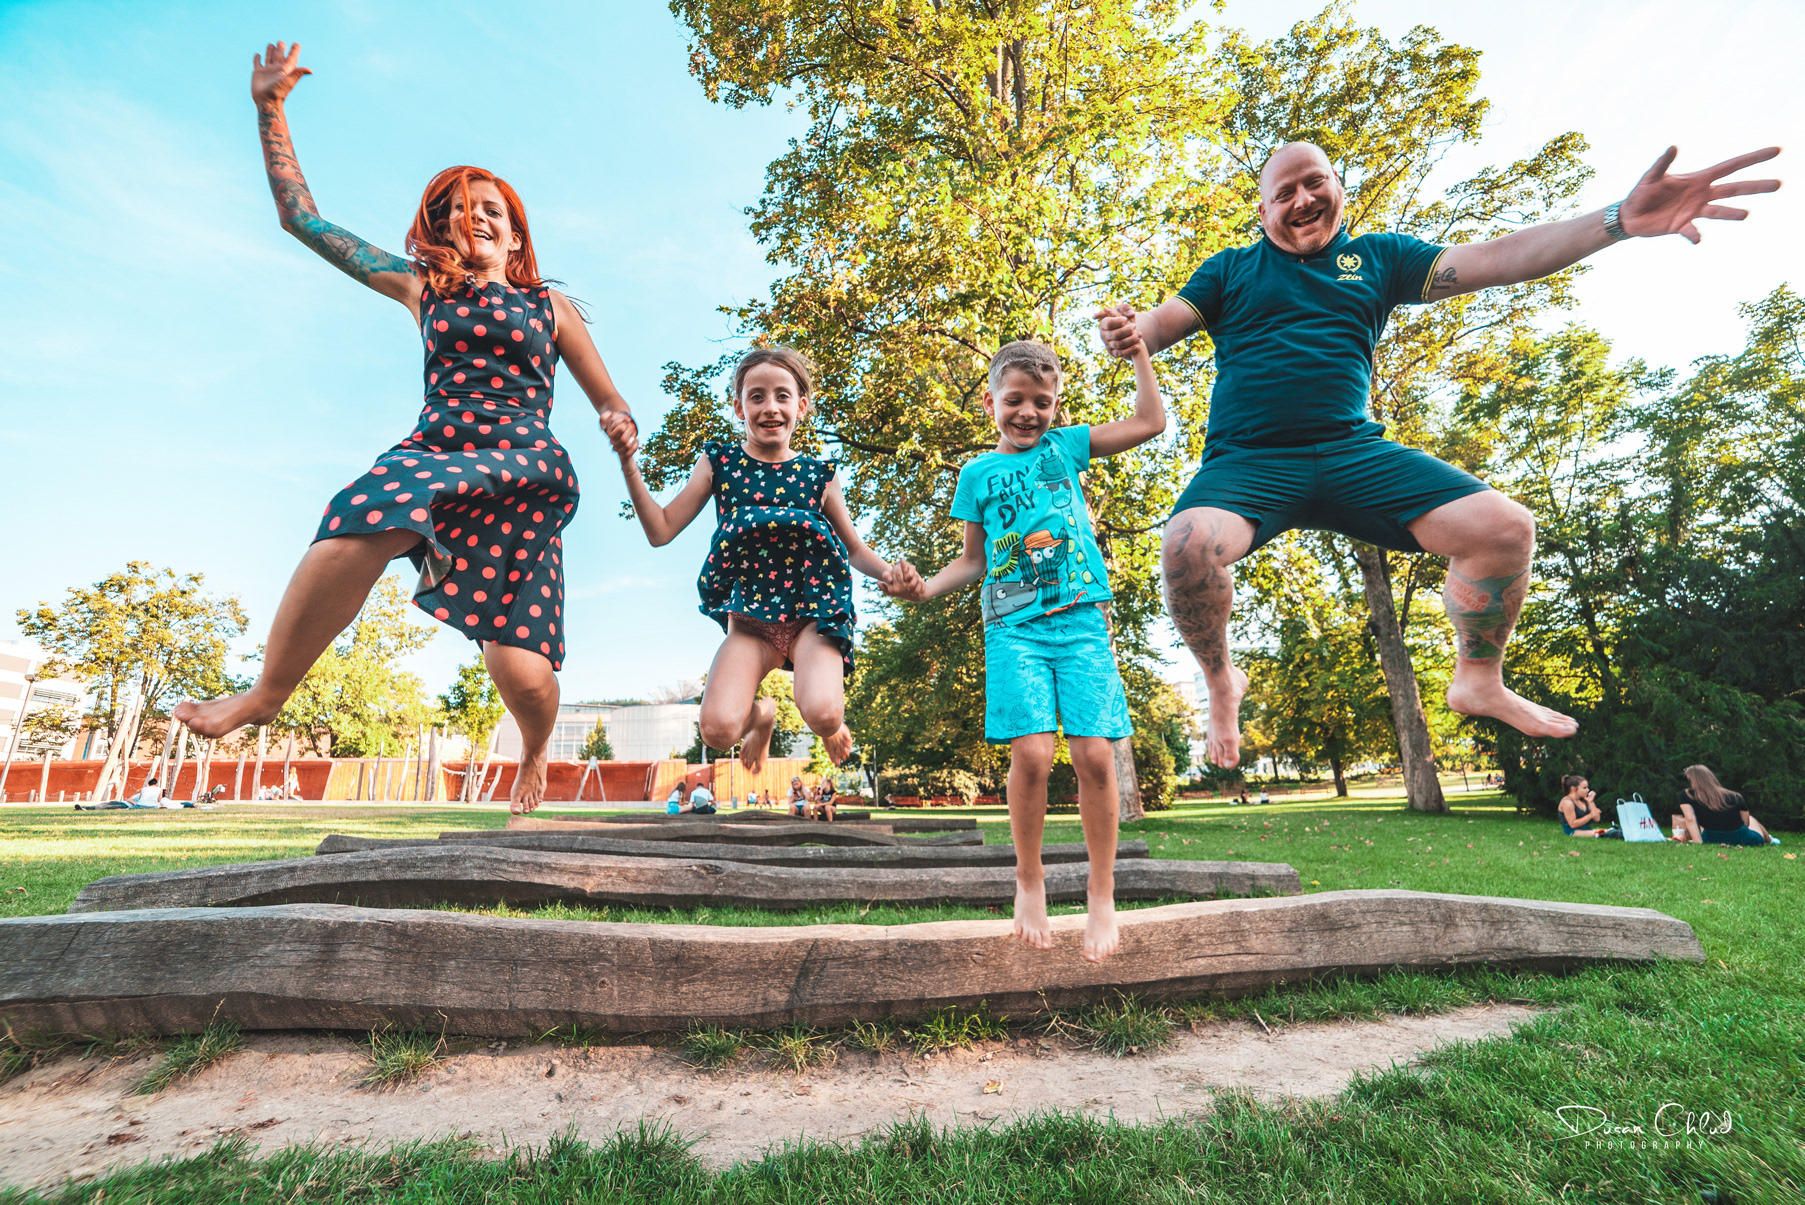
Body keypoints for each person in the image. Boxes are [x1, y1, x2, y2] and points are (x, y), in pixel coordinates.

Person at [1096, 140, 1782, 769]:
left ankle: (1478, 679)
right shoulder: (1231, 270)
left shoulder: (1378, 259)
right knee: (1185, 545)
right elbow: (1158, 325)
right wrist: (1132, 330)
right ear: (1263, 211)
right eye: (1284, 193)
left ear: (1338, 186)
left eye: (1315, 183)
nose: (1302, 200)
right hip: (1249, 462)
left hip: (1351, 454)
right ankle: (1222, 680)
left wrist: (1617, 221)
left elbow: (1497, 259)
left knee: (1504, 529)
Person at [170, 42, 639, 818]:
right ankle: (266, 693)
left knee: (521, 673)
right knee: (358, 514)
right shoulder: (422, 288)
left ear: (515, 237)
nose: (470, 214)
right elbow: (302, 220)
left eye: (489, 208)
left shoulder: (548, 308)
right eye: (454, 209)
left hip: (524, 468)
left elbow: (608, 397)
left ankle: (533, 749)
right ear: (439, 231)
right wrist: (270, 108)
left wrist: (618, 419)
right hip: (437, 453)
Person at [885, 337, 1167, 963]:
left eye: (1042, 401)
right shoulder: (977, 475)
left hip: (1083, 622)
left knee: (1095, 755)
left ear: (1055, 405)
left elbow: (1151, 422)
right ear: (991, 403)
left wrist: (1140, 354)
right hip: (1014, 628)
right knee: (1034, 754)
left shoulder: (1066, 448)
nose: (1028, 412)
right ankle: (1030, 879)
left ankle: (1100, 891)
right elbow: (973, 560)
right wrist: (924, 590)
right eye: (1015, 400)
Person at [616, 347, 902, 773]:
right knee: (716, 731)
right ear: (739, 408)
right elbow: (661, 530)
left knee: (824, 715)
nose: (770, 407)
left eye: (782, 396)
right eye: (757, 396)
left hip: (811, 617)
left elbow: (855, 549)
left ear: (801, 406)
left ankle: (825, 717)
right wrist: (629, 465)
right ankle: (761, 715)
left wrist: (892, 574)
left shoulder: (819, 476)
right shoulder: (719, 463)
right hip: (751, 622)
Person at [1673, 765, 1778, 846]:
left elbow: (1690, 818)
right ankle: (1770, 840)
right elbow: (1745, 823)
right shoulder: (1734, 796)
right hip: (1742, 838)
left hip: (1711, 838)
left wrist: (1698, 842)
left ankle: (1770, 839)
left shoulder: (1685, 795)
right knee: (1751, 819)